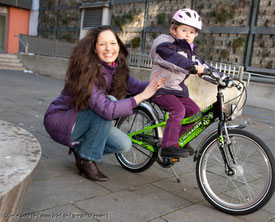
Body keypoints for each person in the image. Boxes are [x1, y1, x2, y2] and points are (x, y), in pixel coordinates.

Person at [43, 25, 164, 182]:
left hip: (85, 119)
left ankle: (81, 150)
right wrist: (141, 97)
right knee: (110, 103)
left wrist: (159, 86)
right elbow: (107, 110)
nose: (109, 48)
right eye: (102, 44)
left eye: (113, 43)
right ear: (94, 49)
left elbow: (136, 87)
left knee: (124, 144)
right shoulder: (85, 72)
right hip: (63, 120)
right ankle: (87, 159)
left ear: (118, 46)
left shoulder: (115, 68)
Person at [149, 8, 215, 158]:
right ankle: (168, 146)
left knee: (195, 112)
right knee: (178, 110)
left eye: (192, 32)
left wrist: (223, 78)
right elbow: (172, 58)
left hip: (177, 91)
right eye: (184, 30)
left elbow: (203, 66)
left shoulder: (189, 51)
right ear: (173, 29)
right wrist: (190, 66)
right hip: (160, 89)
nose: (188, 35)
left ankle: (178, 140)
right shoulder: (164, 43)